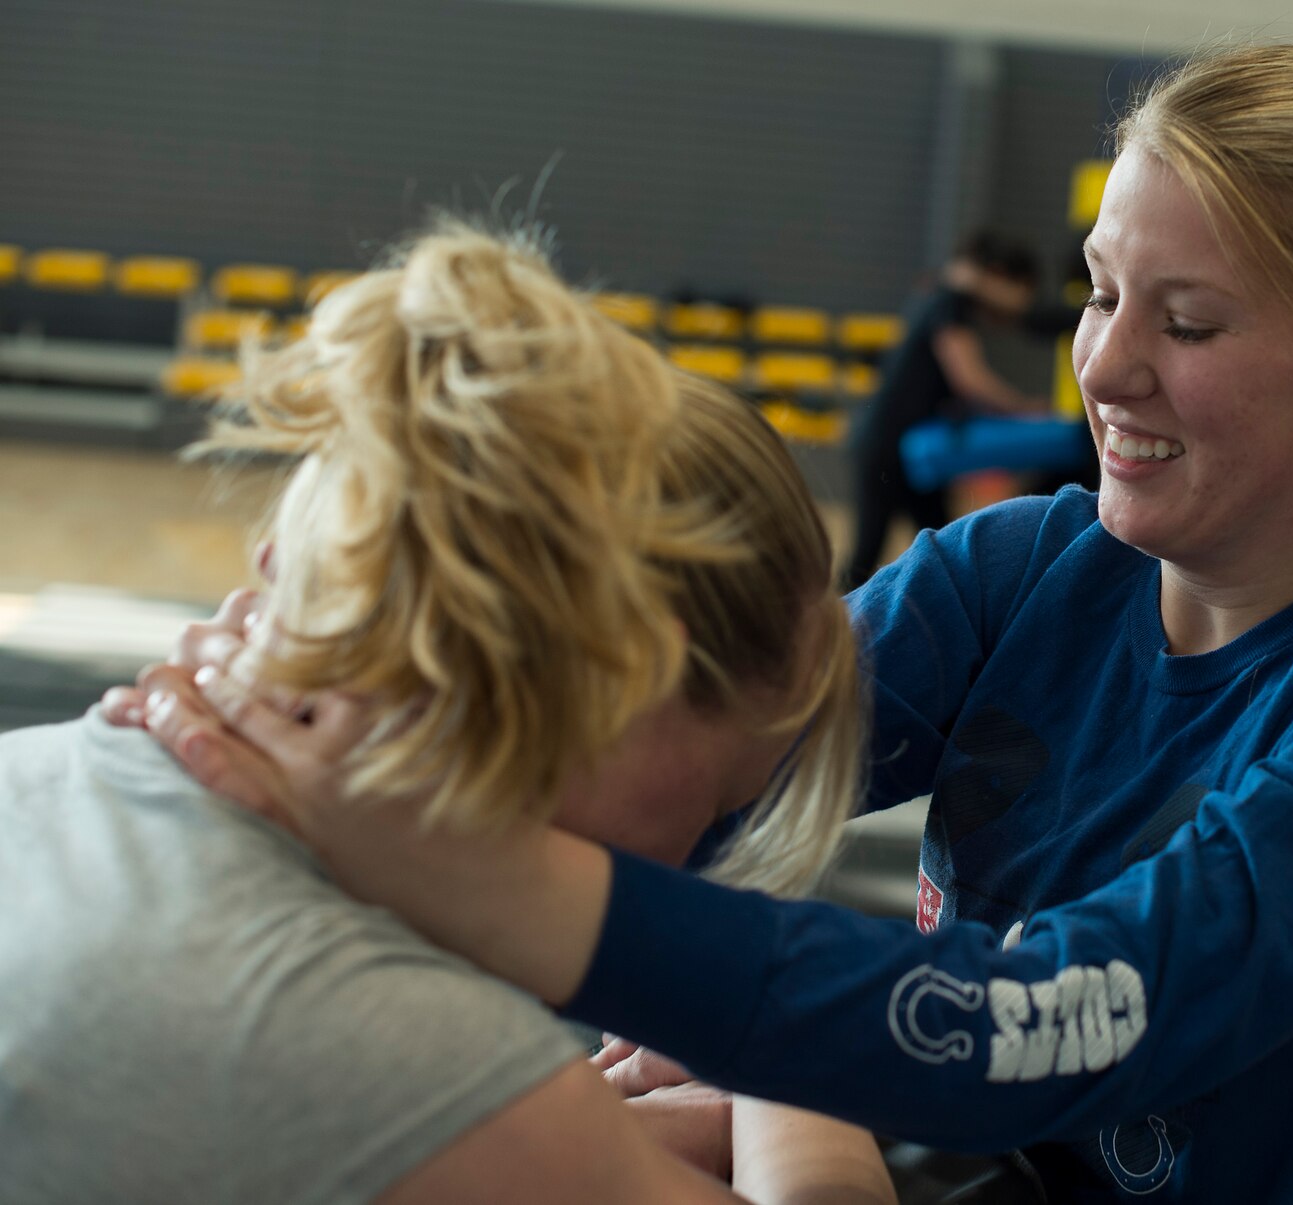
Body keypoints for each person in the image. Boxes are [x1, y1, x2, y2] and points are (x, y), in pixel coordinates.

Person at [126, 45, 1293, 1202]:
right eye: (1097, 293)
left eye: (1188, 324)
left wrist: (488, 879)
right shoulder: (1022, 569)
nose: (1106, 366)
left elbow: (1049, 1021)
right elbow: (683, 763)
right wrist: (334, 704)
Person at [12, 223, 892, 1204]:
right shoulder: (389, 1035)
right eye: (723, 795)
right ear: (624, 683)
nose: (695, 860)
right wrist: (795, 1064)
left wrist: (581, 1133)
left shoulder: (37, 775)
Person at [844, 231, 1048, 588]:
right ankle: (829, 631)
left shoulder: (940, 295)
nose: (1021, 305)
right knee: (869, 553)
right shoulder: (950, 301)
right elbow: (969, 379)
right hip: (888, 447)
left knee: (939, 547)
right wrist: (1025, 408)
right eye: (1023, 290)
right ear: (1001, 277)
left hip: (909, 448)